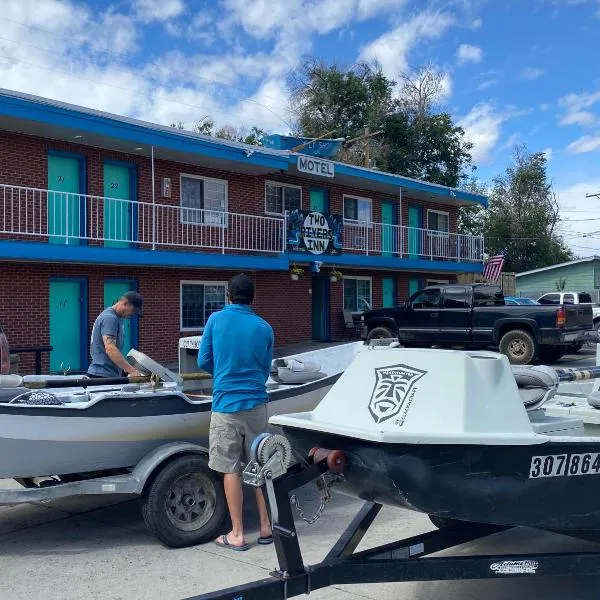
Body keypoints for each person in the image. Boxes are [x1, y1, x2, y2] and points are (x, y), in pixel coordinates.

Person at [197, 273, 273, 551]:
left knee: (230, 469)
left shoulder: (216, 320)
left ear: (228, 295)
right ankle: (266, 528)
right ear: (253, 298)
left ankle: (238, 534)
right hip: (257, 405)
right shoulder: (264, 327)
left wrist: (223, 374)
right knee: (259, 466)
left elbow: (204, 359)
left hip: (226, 405)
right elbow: (265, 369)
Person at [87, 291, 144, 378]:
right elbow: (110, 348)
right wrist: (131, 370)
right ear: (125, 304)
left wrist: (124, 367)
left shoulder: (117, 317)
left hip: (108, 373)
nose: (133, 314)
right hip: (103, 375)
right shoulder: (110, 318)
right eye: (133, 311)